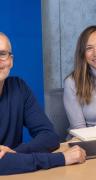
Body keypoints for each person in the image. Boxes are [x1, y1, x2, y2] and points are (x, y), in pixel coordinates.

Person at [0, 32, 86, 175]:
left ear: (11, 61)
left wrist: (16, 153)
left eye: (2, 54)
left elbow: (50, 136)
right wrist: (61, 158)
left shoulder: (19, 88)